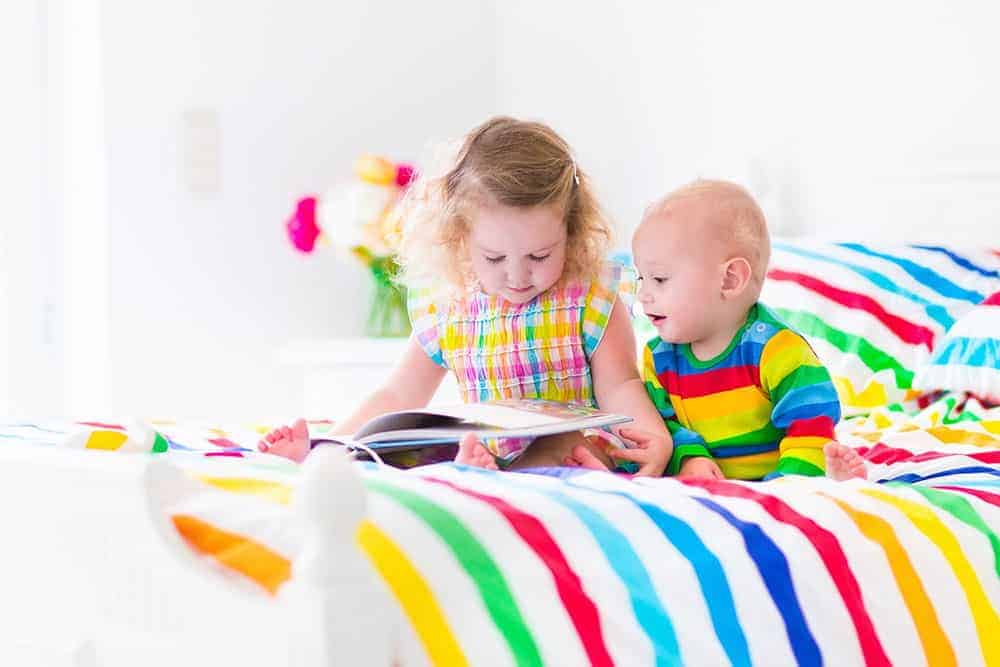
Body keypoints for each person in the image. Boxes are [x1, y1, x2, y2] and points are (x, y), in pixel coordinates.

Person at [261, 116, 672, 475]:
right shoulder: (448, 301)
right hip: (481, 447)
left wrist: (651, 436)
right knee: (404, 446)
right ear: (460, 238)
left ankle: (483, 476)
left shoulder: (589, 295)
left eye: (540, 255)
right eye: (493, 257)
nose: (517, 275)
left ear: (572, 231)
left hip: (571, 448)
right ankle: (326, 459)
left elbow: (620, 383)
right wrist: (333, 444)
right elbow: (399, 395)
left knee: (564, 446)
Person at [631, 179, 866, 481]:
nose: (643, 295)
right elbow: (665, 425)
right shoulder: (658, 358)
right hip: (714, 489)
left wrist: (787, 485)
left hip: (778, 479)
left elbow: (811, 425)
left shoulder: (776, 350)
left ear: (729, 280)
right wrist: (690, 458)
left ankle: (835, 477)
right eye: (641, 279)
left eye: (660, 279)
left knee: (821, 460)